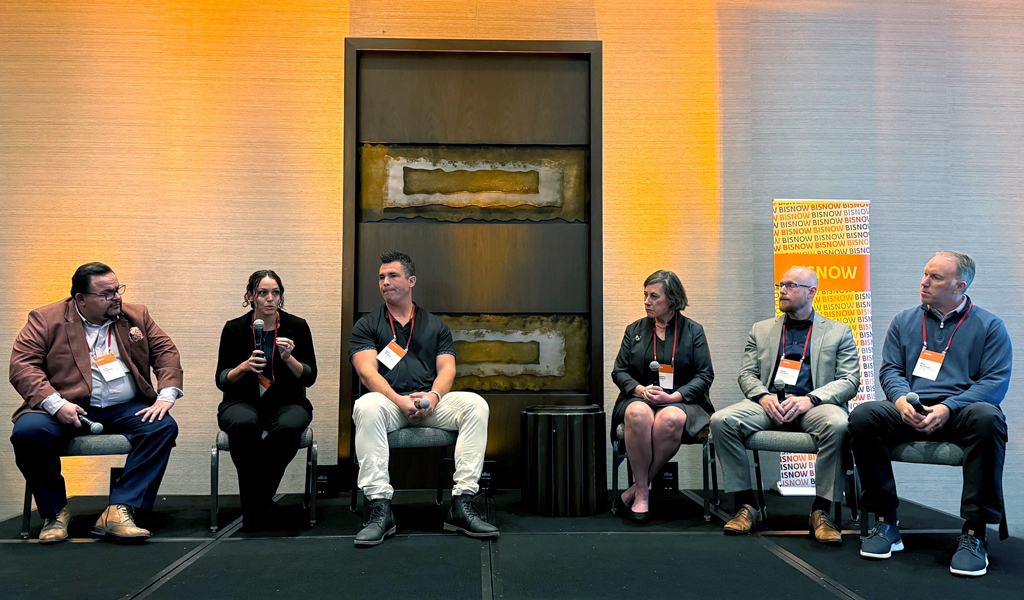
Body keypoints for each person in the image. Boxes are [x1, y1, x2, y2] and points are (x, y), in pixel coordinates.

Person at [851, 251, 1009, 577]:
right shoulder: (904, 321)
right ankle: (885, 521)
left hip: (962, 410)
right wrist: (898, 401)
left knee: (988, 417)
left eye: (935, 277)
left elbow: (994, 382)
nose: (924, 281)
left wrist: (949, 407)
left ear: (959, 285)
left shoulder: (990, 326)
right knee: (865, 415)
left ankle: (974, 533)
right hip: (911, 407)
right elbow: (892, 370)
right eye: (925, 273)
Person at [9, 262, 183, 543]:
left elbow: (165, 351)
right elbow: (23, 367)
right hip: (64, 405)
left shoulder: (136, 315)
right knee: (28, 433)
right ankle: (55, 513)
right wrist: (56, 405)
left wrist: (166, 394)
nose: (117, 297)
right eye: (107, 293)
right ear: (81, 298)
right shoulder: (45, 319)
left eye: (118, 289)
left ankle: (120, 509)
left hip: (123, 407)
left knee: (161, 427)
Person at [349, 251, 498, 547]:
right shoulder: (367, 325)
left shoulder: (435, 326)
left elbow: (447, 369)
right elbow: (367, 373)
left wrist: (433, 396)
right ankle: (380, 509)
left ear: (411, 281)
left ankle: (462, 503)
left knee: (476, 405)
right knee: (365, 405)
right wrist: (399, 400)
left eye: (393, 276)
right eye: (381, 277)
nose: (385, 282)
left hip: (429, 404)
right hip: (388, 404)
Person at [711, 266, 860, 544]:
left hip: (813, 405)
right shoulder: (761, 329)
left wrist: (811, 399)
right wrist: (763, 396)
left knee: (839, 424)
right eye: (782, 285)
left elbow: (850, 380)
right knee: (722, 421)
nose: (783, 291)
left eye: (791, 286)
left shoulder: (839, 332)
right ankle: (747, 505)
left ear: (811, 292)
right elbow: (746, 374)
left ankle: (821, 511)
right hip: (768, 405)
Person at [215, 270, 317, 530]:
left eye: (275, 293)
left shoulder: (297, 326)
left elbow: (309, 376)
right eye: (262, 293)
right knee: (244, 425)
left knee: (289, 427)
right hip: (242, 400)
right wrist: (244, 367)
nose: (270, 299)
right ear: (250, 296)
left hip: (287, 401)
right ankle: (263, 506)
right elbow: (222, 379)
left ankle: (255, 508)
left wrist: (288, 359)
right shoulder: (234, 328)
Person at [610, 270, 715, 522]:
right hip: (639, 397)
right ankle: (643, 493)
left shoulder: (693, 331)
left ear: (672, 299)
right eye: (645, 295)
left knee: (670, 419)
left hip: (681, 402)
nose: (646, 301)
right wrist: (640, 390)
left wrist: (674, 396)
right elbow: (619, 371)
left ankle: (638, 489)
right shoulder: (633, 329)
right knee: (636, 413)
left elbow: (704, 375)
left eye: (654, 296)